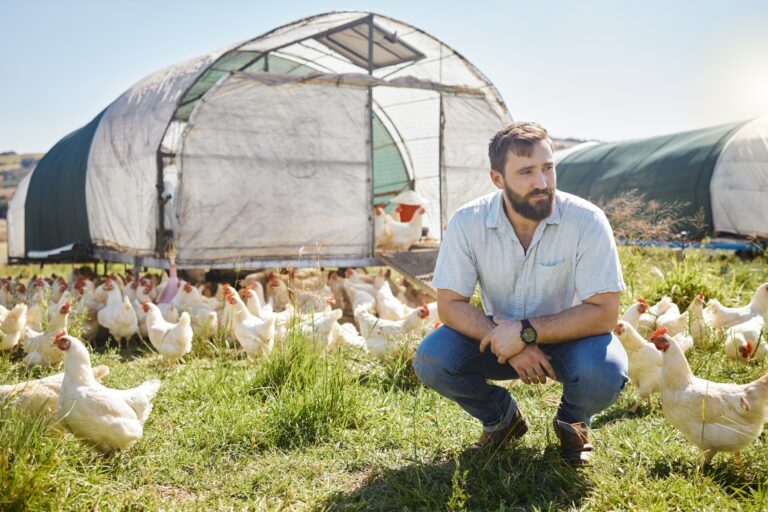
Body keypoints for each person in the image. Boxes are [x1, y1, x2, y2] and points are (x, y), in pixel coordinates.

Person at [413, 121, 628, 464]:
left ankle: (573, 425)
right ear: (497, 179)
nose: (542, 183)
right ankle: (502, 419)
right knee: (432, 358)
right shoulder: (468, 222)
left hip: (573, 339)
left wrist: (526, 332)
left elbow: (604, 312)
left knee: (606, 371)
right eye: (526, 172)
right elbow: (450, 304)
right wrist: (506, 342)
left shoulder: (587, 221)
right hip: (497, 338)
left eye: (547, 168)